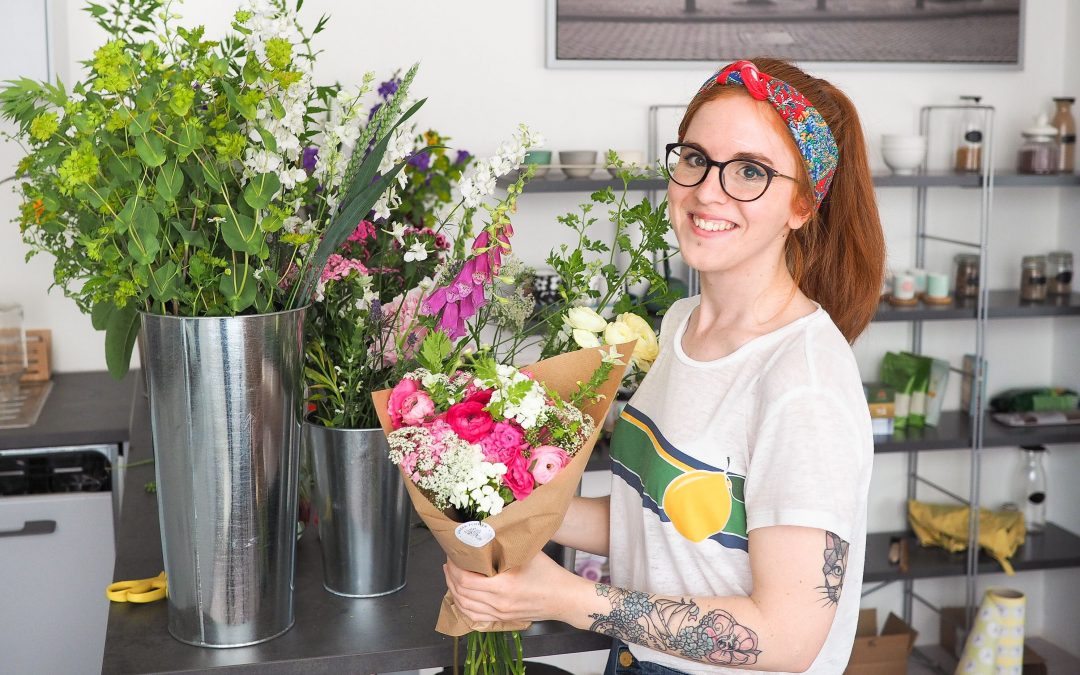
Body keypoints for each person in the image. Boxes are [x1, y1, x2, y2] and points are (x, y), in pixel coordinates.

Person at [443, 57, 886, 674]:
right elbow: (657, 523)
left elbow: (786, 638)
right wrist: (498, 500)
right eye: (696, 158)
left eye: (751, 171)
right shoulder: (685, 322)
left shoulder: (802, 382)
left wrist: (566, 598)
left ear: (803, 206)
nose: (708, 190)